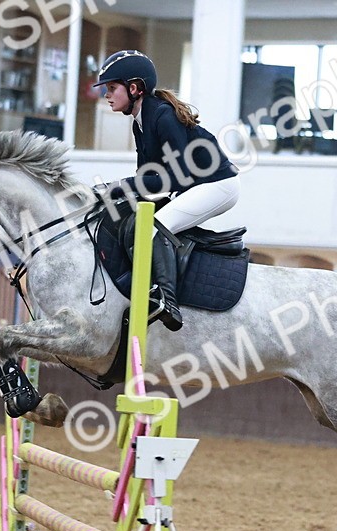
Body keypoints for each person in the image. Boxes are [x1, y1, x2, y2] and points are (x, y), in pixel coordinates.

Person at [93, 50, 241, 331]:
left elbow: (176, 176)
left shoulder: (162, 116)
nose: (107, 95)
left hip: (218, 185)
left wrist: (118, 187)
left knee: (155, 225)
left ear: (134, 88)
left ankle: (165, 299)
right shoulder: (140, 121)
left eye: (112, 88)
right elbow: (146, 179)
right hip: (194, 186)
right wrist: (111, 196)